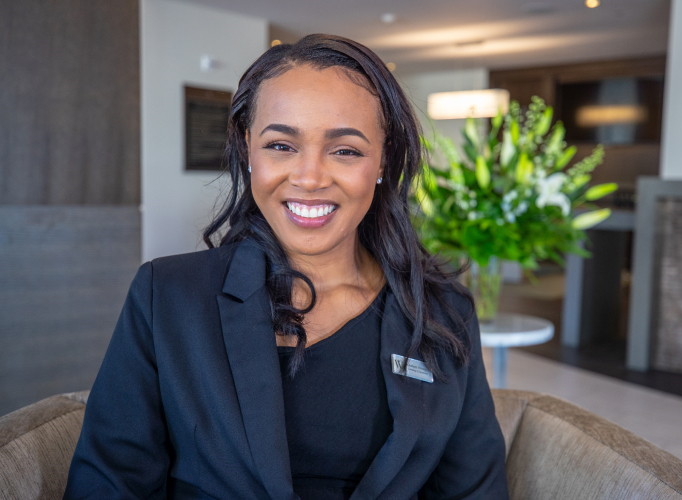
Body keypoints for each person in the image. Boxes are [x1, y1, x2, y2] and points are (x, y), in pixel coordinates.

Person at [64, 34, 508, 499]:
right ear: (246, 147)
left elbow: (475, 490)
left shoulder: (443, 312)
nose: (309, 178)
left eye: (346, 150)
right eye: (281, 145)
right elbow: (109, 485)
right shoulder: (168, 296)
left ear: (383, 159)